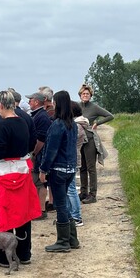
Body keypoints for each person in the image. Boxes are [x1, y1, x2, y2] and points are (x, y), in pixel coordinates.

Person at [0, 90, 41, 267]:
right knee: (23, 213)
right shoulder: (23, 121)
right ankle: (24, 253)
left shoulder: (1, 126)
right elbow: (31, 144)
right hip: (22, 171)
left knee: (3, 213)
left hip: (4, 174)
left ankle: (2, 257)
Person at [39, 90, 79, 253]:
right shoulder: (73, 124)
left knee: (60, 204)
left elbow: (51, 150)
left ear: (58, 103)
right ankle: (72, 238)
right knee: (64, 203)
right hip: (70, 168)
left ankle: (63, 241)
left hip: (58, 169)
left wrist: (43, 169)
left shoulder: (57, 124)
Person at [78, 84, 113, 204]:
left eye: (87, 94)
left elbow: (110, 116)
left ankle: (93, 194)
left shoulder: (94, 107)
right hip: (79, 140)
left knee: (90, 167)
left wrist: (98, 123)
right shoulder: (77, 106)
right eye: (83, 94)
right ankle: (83, 192)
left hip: (90, 140)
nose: (85, 95)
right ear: (80, 95)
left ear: (90, 95)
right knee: (81, 167)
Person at [25, 91, 51, 220]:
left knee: (39, 182)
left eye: (30, 100)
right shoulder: (38, 115)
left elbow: (41, 139)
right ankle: (38, 209)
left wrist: (33, 153)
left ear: (36, 102)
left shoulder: (41, 116)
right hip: (39, 153)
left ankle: (41, 210)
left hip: (40, 154)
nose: (29, 102)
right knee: (36, 182)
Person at [68, 101, 88, 227]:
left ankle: (76, 217)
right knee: (71, 189)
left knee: (71, 189)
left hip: (73, 158)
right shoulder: (80, 125)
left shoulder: (77, 127)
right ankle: (73, 215)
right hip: (75, 158)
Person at [39, 86, 55, 212]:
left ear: (44, 98)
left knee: (49, 178)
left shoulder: (50, 113)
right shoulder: (49, 111)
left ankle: (52, 202)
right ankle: (51, 201)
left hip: (48, 149)